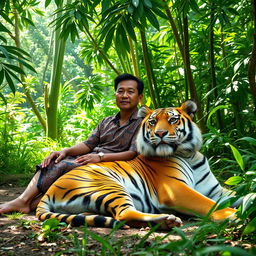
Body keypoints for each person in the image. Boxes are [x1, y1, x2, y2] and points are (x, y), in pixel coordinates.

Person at [0, 73, 144, 214]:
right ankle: (24, 202)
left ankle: (25, 203)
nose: (124, 95)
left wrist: (100, 157)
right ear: (115, 95)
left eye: (130, 92)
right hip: (91, 159)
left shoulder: (143, 123)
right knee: (54, 160)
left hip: (113, 166)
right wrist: (65, 151)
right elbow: (88, 145)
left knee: (65, 166)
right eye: (120, 91)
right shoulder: (106, 121)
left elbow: (132, 153)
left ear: (139, 97)